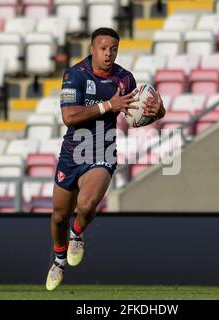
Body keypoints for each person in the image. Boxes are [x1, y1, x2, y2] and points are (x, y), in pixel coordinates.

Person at [46, 27, 166, 291]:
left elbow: (139, 117)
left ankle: (78, 233)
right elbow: (69, 116)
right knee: (58, 216)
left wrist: (158, 111)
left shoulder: (125, 79)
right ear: (92, 49)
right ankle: (58, 260)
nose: (108, 53)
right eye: (103, 48)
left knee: (87, 205)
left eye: (113, 48)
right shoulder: (75, 75)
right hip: (73, 152)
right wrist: (108, 106)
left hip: (103, 150)